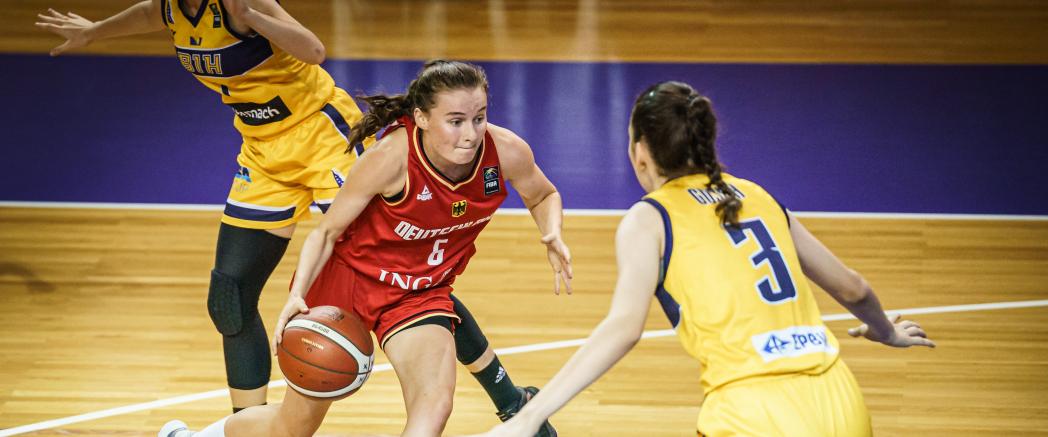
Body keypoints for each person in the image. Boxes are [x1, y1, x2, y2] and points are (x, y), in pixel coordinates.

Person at [36, 1, 561, 426]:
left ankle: (507, 395)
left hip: (322, 136)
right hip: (263, 152)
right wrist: (96, 31)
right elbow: (153, 15)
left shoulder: (240, 5)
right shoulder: (175, 8)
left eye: (478, 120)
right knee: (230, 292)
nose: (472, 132)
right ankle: (248, 426)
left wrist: (253, 16)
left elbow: (314, 49)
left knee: (406, 257)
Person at [474, 81, 936, 437]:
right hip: (842, 399)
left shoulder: (650, 217)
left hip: (750, 413)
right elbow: (852, 287)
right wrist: (885, 330)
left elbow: (623, 328)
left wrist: (530, 415)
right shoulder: (760, 196)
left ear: (639, 154)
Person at [159, 60, 571, 437]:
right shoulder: (390, 158)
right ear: (422, 118)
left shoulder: (506, 152)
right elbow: (325, 233)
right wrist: (298, 293)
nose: (470, 134)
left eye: (479, 118)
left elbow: (543, 194)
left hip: (417, 294)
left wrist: (551, 232)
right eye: (456, 120)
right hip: (347, 284)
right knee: (291, 428)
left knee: (434, 409)